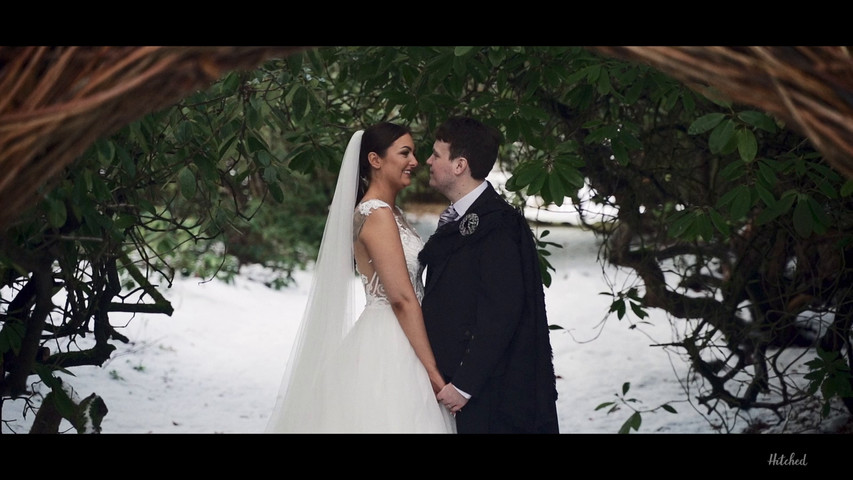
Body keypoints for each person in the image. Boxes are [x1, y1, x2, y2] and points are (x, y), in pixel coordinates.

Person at [266, 122, 456, 433]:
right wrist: (433, 373)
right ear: (375, 160)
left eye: (415, 153)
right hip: (391, 342)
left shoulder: (390, 213)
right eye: (405, 153)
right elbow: (402, 298)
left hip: (404, 335)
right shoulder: (376, 214)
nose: (415, 162)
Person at [418, 116, 560, 433]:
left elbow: (502, 311)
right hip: (456, 388)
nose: (428, 160)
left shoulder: (498, 225)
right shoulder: (464, 217)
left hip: (490, 396)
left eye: (436, 154)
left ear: (459, 165)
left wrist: (465, 385)